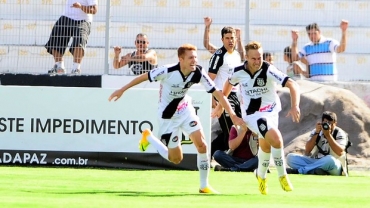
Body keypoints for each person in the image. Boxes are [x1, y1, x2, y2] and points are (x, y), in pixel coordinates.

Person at [109, 44, 245, 194]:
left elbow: (218, 93)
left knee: (202, 146)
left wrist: (232, 114)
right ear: (181, 59)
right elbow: (143, 77)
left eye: (195, 57)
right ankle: (149, 137)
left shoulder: (198, 72)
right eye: (191, 58)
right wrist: (122, 89)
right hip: (168, 117)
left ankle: (203, 185)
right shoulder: (167, 71)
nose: (195, 60)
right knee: (176, 159)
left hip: (185, 110)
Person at [213, 41, 301, 195]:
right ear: (246, 57)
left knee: (266, 147)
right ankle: (282, 175)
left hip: (272, 112)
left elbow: (292, 84)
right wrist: (221, 106)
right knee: (277, 139)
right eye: (253, 58)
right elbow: (226, 87)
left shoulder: (268, 69)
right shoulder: (238, 71)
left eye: (259, 57)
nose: (257, 61)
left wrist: (295, 106)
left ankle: (260, 175)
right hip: (253, 116)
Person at [207, 25, 245, 152]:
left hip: (235, 95)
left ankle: (211, 152)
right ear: (222, 39)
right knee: (230, 129)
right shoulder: (219, 56)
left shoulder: (236, 55)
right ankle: (230, 158)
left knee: (238, 126)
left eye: (232, 38)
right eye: (227, 38)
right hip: (222, 96)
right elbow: (209, 78)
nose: (230, 41)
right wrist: (211, 97)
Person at [286, 111, 349, 176]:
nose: (328, 126)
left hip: (333, 165)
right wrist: (316, 133)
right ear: (322, 123)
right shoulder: (316, 131)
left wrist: (328, 135)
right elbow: (307, 150)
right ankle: (316, 171)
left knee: (329, 159)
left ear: (335, 123)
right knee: (290, 157)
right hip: (316, 161)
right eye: (326, 123)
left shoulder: (339, 133)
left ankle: (300, 171)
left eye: (330, 123)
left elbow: (340, 152)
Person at [45, 0, 98, 75]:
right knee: (56, 36)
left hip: (83, 20)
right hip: (66, 17)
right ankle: (59, 66)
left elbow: (94, 10)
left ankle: (76, 68)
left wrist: (81, 7)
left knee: (80, 40)